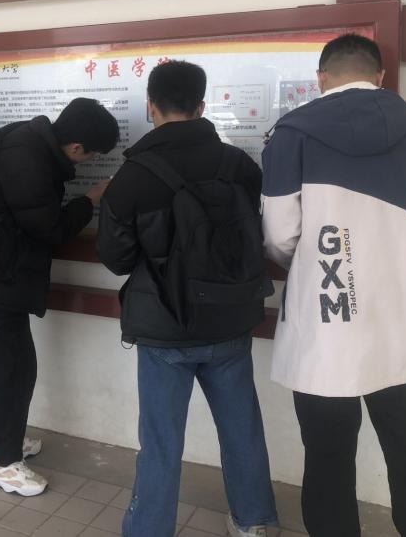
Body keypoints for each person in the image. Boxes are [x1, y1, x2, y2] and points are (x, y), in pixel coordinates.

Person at [261, 34, 406, 537]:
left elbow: (278, 234)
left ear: (321, 78)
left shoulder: (291, 134)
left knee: (328, 457)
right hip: (402, 322)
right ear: (380, 77)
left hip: (326, 324)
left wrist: (310, 263)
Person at [97, 60, 278, 537]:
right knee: (242, 429)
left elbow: (116, 258)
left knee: (160, 441)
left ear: (150, 107)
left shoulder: (133, 176)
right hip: (229, 320)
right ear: (201, 106)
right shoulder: (239, 166)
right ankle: (253, 522)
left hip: (165, 328)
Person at [0, 98, 118, 496]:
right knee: (14, 368)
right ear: (76, 147)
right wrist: (89, 200)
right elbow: (49, 228)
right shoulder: (32, 161)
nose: (88, 162)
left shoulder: (25, 137)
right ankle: (2, 465)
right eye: (91, 155)